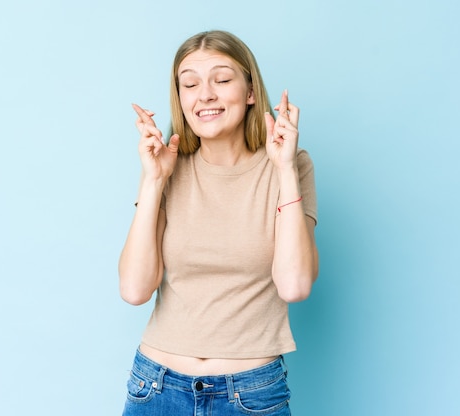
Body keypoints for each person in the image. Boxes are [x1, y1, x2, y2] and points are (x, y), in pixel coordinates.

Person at [118, 30, 318, 415]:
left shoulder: (292, 165)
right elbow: (134, 288)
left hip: (251, 394)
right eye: (190, 84)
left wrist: (286, 170)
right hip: (155, 387)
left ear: (250, 91)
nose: (205, 94)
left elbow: (294, 285)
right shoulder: (167, 167)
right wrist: (154, 181)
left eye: (222, 80)